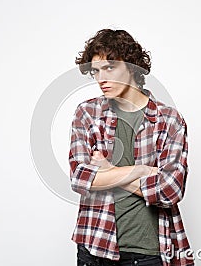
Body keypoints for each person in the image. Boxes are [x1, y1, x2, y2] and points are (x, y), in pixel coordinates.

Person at [69, 29, 194, 266]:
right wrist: (140, 171)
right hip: (95, 246)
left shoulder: (169, 120)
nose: (101, 78)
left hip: (150, 250)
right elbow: (80, 178)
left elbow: (170, 191)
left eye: (109, 68)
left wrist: (109, 170)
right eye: (95, 71)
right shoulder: (87, 113)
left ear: (133, 67)